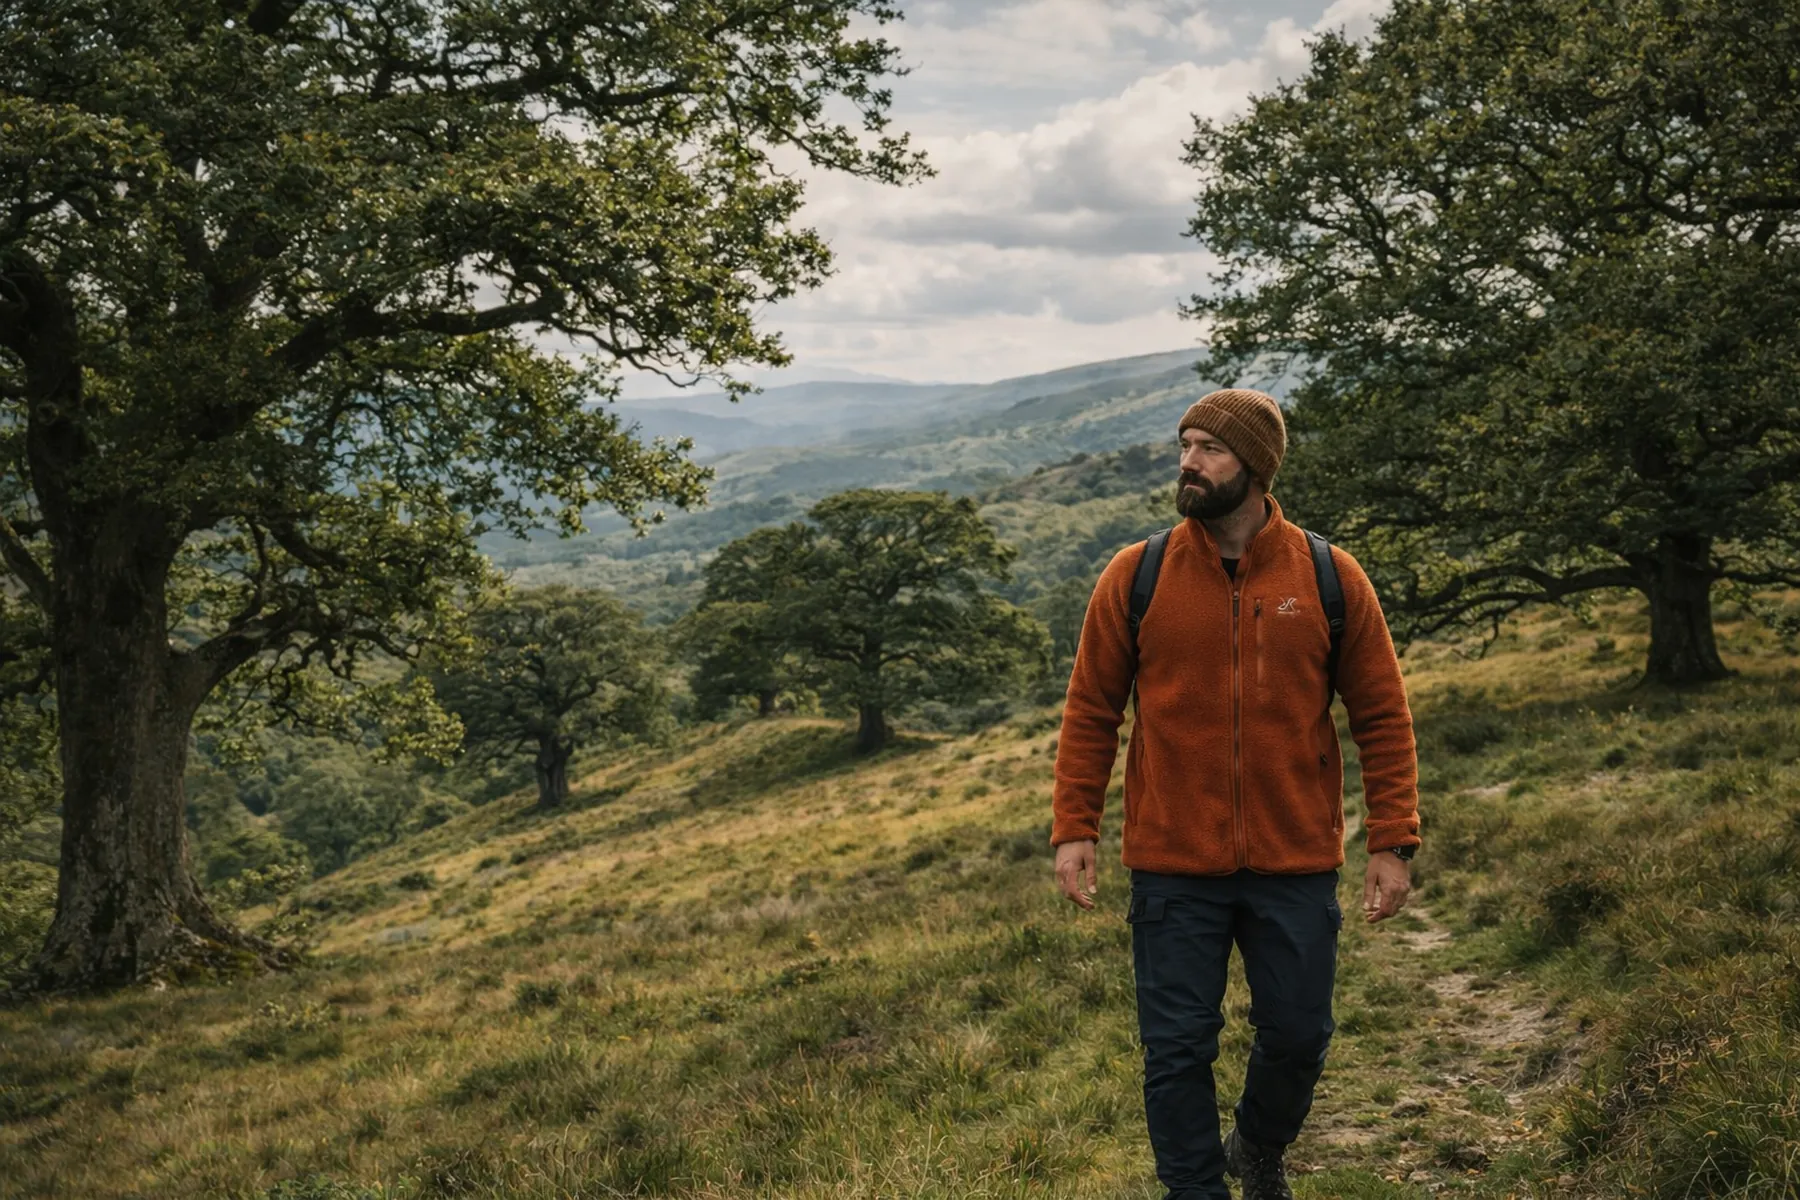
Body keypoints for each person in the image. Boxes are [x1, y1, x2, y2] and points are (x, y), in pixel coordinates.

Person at [1050, 388, 1420, 1200]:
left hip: (1294, 857)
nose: (1188, 462)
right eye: (1184, 444)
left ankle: (1257, 1144)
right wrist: (1073, 827)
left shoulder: (1328, 576)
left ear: (1255, 465)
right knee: (1176, 1048)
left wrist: (1391, 839)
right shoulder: (1136, 575)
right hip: (1172, 862)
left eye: (1210, 448)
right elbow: (1091, 709)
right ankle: (1195, 1190)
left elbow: (1382, 713)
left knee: (1297, 1034)